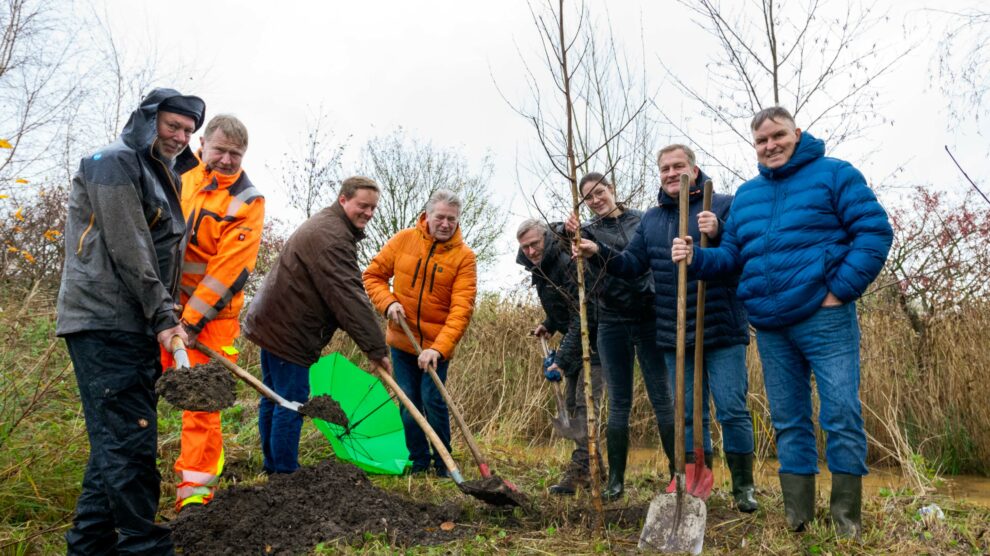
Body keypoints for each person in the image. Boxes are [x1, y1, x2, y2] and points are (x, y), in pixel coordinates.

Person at [672, 107, 893, 536]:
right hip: (771, 327)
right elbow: (733, 256)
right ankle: (799, 520)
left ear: (797, 134)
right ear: (754, 146)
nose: (770, 145)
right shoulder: (749, 195)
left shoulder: (835, 174)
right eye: (761, 140)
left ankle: (846, 522)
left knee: (841, 414)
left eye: (778, 136)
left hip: (824, 318)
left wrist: (840, 289)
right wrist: (697, 257)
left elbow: (874, 231)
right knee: (789, 420)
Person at [57, 88, 205, 555]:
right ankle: (145, 547)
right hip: (105, 320)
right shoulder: (113, 162)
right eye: (172, 125)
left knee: (116, 442)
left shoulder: (166, 178)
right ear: (148, 120)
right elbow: (130, 245)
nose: (181, 137)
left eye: (188, 130)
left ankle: (89, 547)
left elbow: (165, 257)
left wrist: (167, 316)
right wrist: (163, 313)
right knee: (130, 445)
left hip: (134, 324)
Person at [573, 151, 757, 512]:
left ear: (694, 169)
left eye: (678, 167)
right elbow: (630, 265)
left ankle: (744, 487)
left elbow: (741, 258)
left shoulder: (723, 205)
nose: (672, 174)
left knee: (732, 409)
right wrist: (597, 251)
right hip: (675, 331)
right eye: (665, 169)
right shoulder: (653, 219)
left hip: (721, 326)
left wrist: (717, 232)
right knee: (686, 413)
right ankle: (692, 477)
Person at [242, 176, 391, 475]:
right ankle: (284, 472)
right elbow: (349, 298)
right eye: (363, 205)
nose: (369, 213)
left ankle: (273, 466)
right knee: (291, 402)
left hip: (272, 324)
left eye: (373, 208)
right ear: (343, 200)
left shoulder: (329, 226)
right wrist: (377, 349)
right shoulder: (332, 238)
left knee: (273, 397)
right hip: (288, 332)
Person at [158, 114, 264, 510]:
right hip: (159, 311)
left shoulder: (248, 200)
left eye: (235, 154)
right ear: (202, 143)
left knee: (201, 407)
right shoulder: (177, 175)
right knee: (137, 393)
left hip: (210, 323)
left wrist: (189, 323)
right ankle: (134, 485)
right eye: (220, 150)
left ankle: (196, 497)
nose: (226, 160)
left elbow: (227, 273)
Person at [564, 172, 676, 502]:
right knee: (619, 404)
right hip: (612, 322)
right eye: (588, 197)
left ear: (612, 190)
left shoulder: (642, 221)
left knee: (662, 399)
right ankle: (615, 481)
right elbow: (562, 252)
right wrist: (565, 233)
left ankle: (675, 474)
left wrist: (599, 248)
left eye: (600, 192)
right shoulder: (585, 232)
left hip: (648, 317)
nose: (596, 200)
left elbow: (638, 261)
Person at [363, 190, 477, 477]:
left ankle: (443, 463)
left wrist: (437, 349)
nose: (445, 223)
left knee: (432, 400)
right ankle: (419, 461)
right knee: (409, 402)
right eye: (440, 217)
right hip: (402, 341)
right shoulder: (403, 240)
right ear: (428, 215)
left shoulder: (464, 258)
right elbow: (372, 276)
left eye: (452, 219)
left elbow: (461, 310)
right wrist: (388, 303)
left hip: (437, 347)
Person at [516, 218, 604, 495]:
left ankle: (580, 472)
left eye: (534, 244)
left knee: (584, 405)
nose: (530, 251)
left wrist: (562, 359)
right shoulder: (542, 267)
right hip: (577, 342)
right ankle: (595, 469)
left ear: (547, 239)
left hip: (598, 342)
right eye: (525, 247)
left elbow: (583, 313)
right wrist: (550, 323)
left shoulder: (566, 262)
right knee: (572, 403)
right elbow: (563, 306)